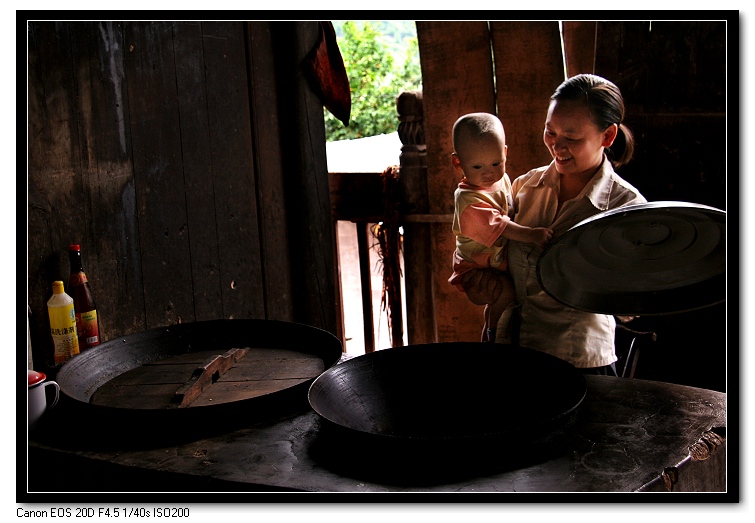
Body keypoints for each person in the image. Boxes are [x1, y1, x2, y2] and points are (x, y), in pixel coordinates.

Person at [496, 74, 647, 375]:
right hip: (515, 355)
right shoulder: (525, 187)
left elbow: (632, 307)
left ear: (608, 136)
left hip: (581, 367)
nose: (557, 146)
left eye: (573, 138)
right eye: (550, 132)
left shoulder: (626, 206)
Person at [448, 112, 553, 343]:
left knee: (504, 295)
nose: (488, 173)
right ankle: (491, 333)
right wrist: (532, 235)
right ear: (458, 163)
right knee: (506, 292)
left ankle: (490, 326)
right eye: (477, 166)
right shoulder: (468, 201)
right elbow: (502, 226)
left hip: (493, 263)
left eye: (496, 163)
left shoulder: (501, 179)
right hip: (474, 270)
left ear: (505, 152)